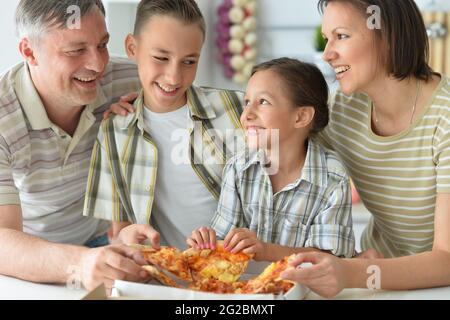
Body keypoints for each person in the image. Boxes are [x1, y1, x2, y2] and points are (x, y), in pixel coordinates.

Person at [280, 0, 450, 298]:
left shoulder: (445, 118)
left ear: (389, 38)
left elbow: (447, 260)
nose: (328, 53)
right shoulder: (343, 110)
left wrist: (351, 273)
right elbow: (281, 158)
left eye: (341, 36)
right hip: (379, 280)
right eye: (327, 38)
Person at [0, 0, 149, 292]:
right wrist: (80, 264)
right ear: (30, 52)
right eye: (76, 50)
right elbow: (2, 239)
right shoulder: (4, 116)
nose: (97, 65)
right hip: (32, 260)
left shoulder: (130, 80)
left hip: (106, 243)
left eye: (102, 45)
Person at [83, 0, 245, 249]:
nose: (174, 77)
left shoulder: (237, 110)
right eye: (161, 58)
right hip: (168, 279)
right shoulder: (114, 131)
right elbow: (118, 233)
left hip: (245, 273)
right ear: (132, 47)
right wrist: (128, 237)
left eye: (189, 62)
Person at [187, 58, 356, 261]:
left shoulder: (333, 178)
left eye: (263, 102)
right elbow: (221, 246)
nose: (247, 114)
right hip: (246, 290)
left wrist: (265, 251)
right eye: (247, 102)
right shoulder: (238, 168)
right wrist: (208, 243)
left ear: (301, 116)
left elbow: (330, 258)